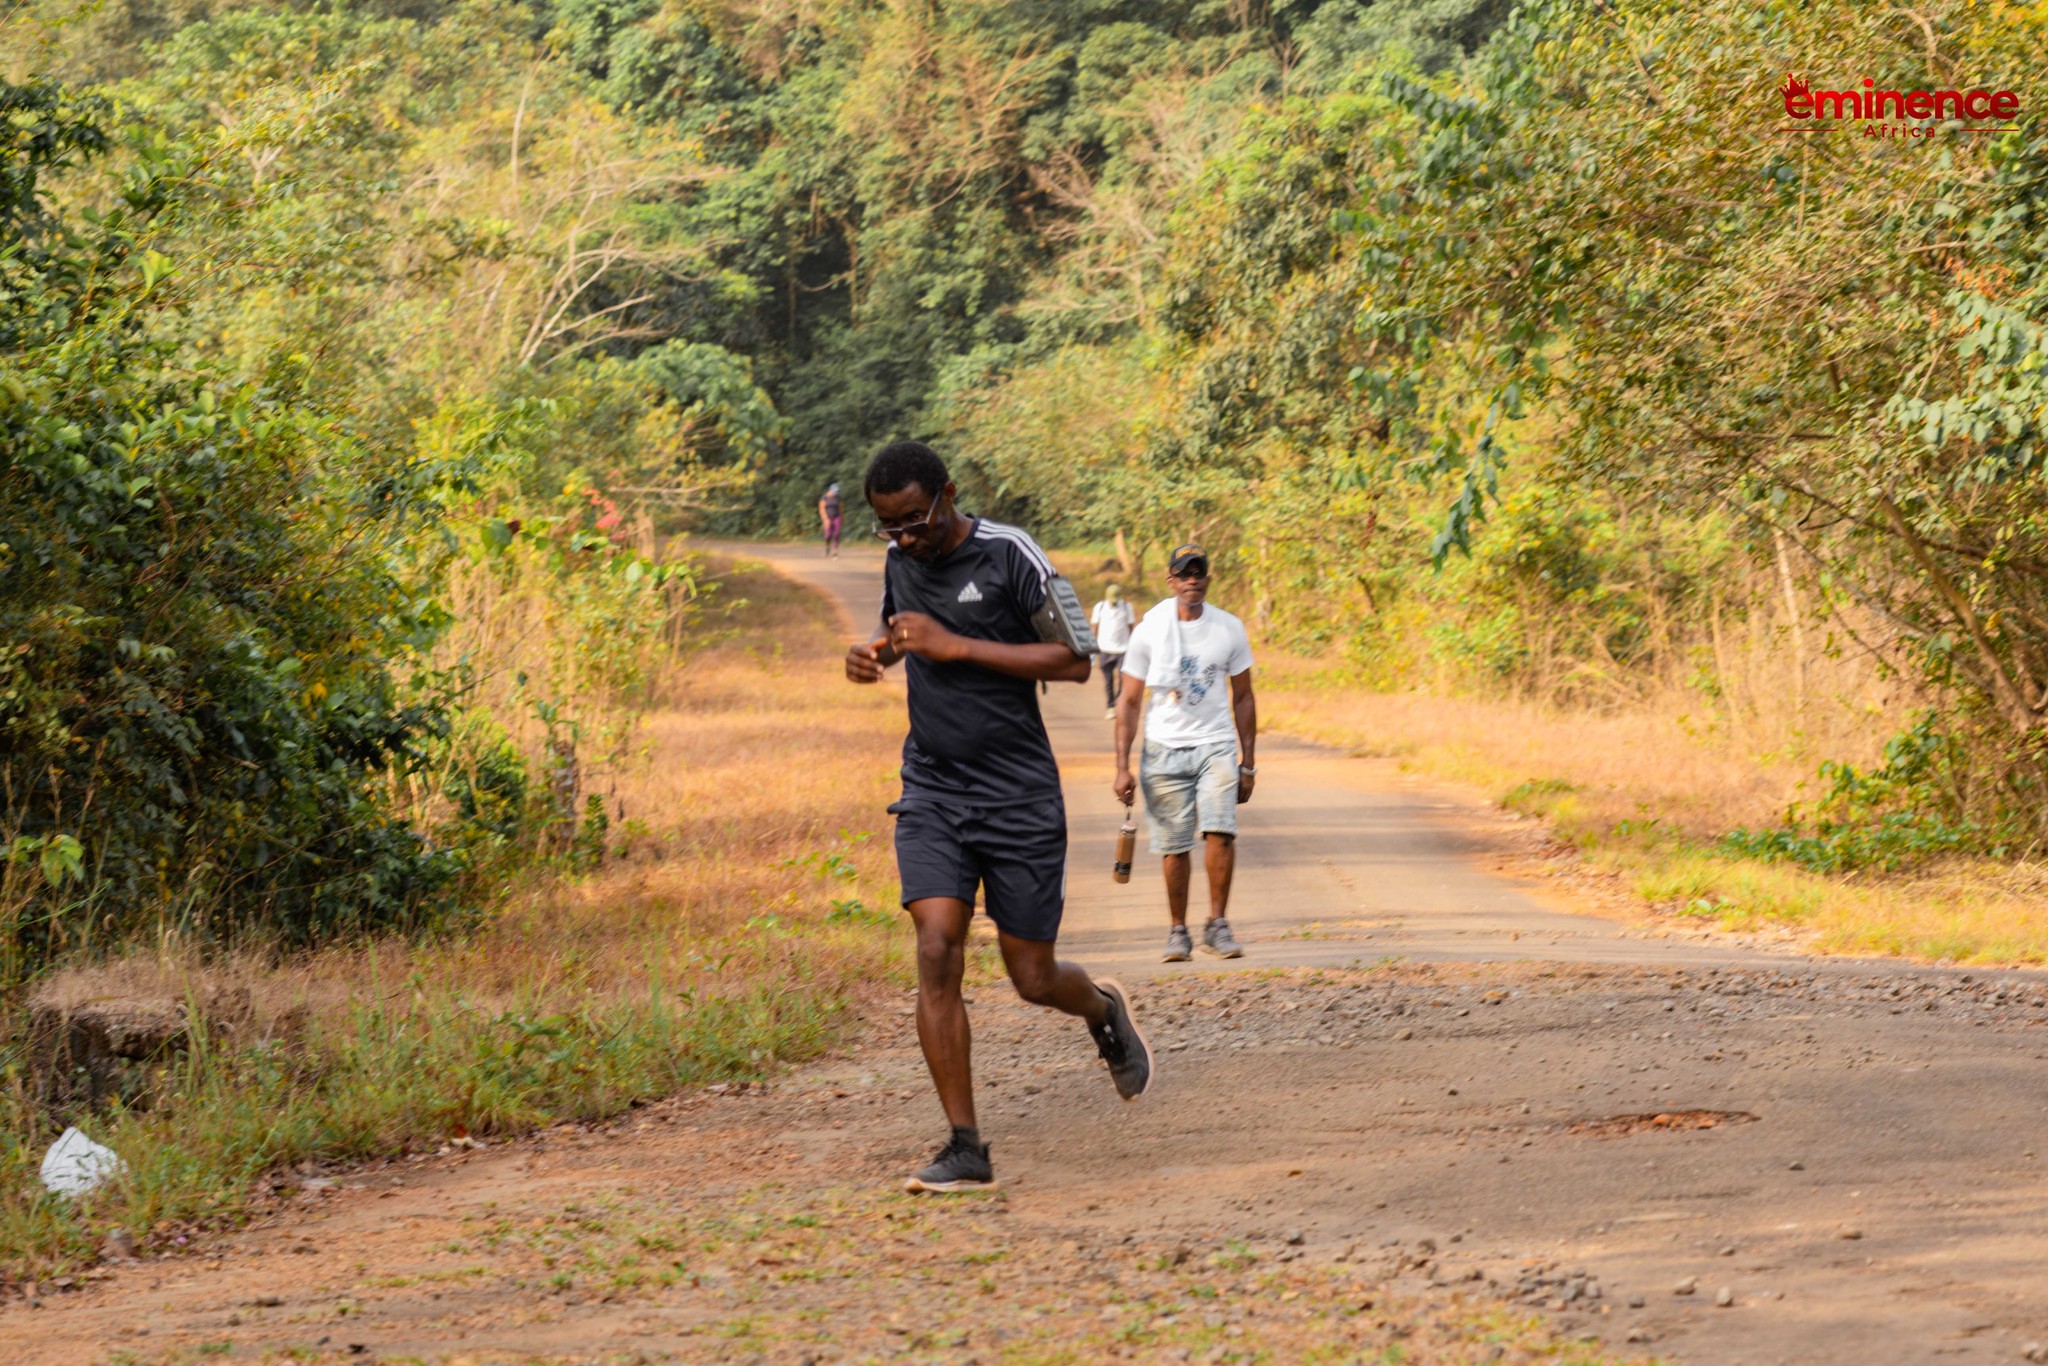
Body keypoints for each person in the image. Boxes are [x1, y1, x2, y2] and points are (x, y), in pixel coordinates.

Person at [843, 440, 1153, 1193]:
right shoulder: (900, 560)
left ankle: (1102, 1009)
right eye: (889, 527)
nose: (905, 540)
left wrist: (956, 646)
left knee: (1033, 977)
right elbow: (902, 630)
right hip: (934, 787)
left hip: (1017, 794)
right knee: (936, 945)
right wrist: (875, 653)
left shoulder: (1011, 553)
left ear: (948, 494)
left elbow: (1075, 660)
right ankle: (966, 1146)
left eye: (915, 521)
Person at [1111, 544, 1257, 963]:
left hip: (1216, 744)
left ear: (1208, 578)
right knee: (1174, 844)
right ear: (1171, 581)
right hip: (1164, 749)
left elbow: (1243, 697)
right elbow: (1129, 701)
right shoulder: (1149, 631)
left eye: (1199, 572)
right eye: (1184, 573)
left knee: (1220, 831)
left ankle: (1217, 924)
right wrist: (1122, 767)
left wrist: (1248, 763)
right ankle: (1178, 931)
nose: (1192, 579)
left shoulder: (1229, 628)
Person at [1089, 583, 1136, 719]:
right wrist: (1092, 649)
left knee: (1122, 679)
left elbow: (1131, 627)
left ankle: (1119, 704)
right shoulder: (1099, 608)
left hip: (1123, 649)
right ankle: (1111, 706)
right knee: (1108, 680)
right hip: (1105, 649)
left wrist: (1134, 646)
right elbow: (1095, 627)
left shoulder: (1127, 607)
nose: (1114, 603)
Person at [819, 482, 844, 557]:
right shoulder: (824, 498)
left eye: (836, 491)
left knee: (836, 534)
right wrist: (825, 519)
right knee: (828, 535)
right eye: (834, 491)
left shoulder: (838, 498)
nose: (835, 493)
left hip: (837, 517)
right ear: (830, 490)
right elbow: (822, 509)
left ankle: (835, 551)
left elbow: (840, 508)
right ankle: (827, 546)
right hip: (828, 517)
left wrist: (842, 518)